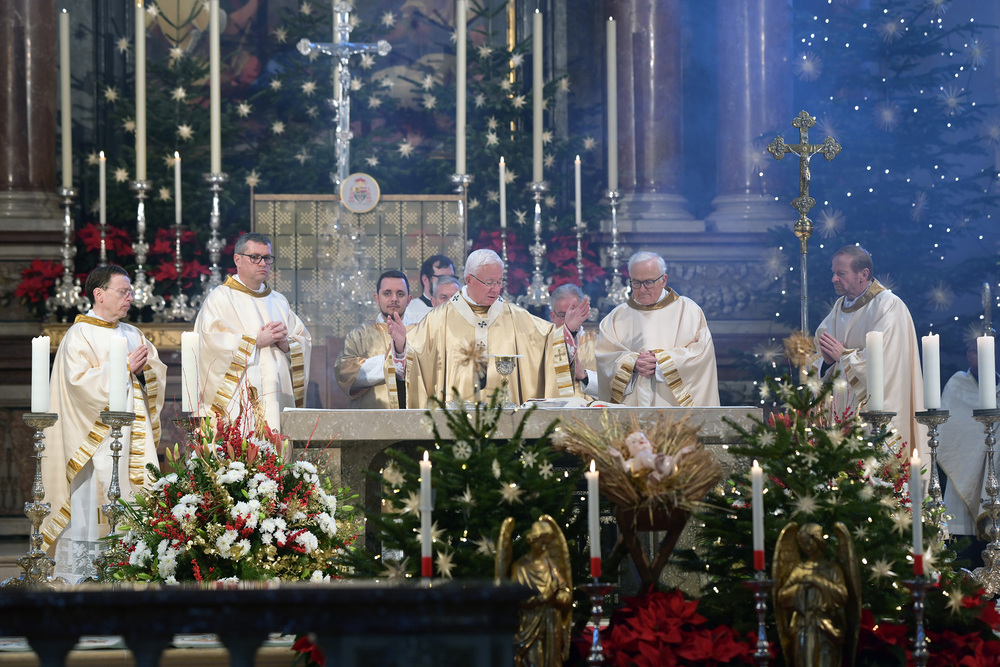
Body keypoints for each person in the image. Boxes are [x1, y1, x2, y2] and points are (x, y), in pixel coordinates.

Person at [40, 265, 166, 582]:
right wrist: (123, 366)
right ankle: (88, 576)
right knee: (96, 500)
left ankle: (137, 569)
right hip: (95, 439)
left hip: (134, 436)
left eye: (130, 292)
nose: (130, 298)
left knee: (137, 495)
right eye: (123, 291)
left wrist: (144, 371)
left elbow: (154, 374)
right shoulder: (78, 334)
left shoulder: (132, 333)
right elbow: (79, 385)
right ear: (99, 293)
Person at [395, 249, 589, 409]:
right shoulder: (439, 319)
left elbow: (548, 343)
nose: (496, 289)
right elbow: (413, 361)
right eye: (489, 283)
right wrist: (401, 346)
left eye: (499, 282)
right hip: (455, 422)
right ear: (469, 280)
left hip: (508, 421)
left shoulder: (516, 317)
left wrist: (567, 331)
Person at [194, 232, 311, 436]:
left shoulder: (278, 301)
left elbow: (303, 340)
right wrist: (255, 341)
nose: (263, 263)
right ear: (237, 259)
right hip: (239, 398)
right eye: (255, 257)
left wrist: (286, 345)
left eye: (267, 258)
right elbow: (210, 343)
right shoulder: (220, 298)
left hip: (277, 393)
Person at [812, 245, 924, 455]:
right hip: (843, 408)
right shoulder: (840, 306)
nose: (834, 279)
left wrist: (843, 357)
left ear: (863, 274)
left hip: (877, 408)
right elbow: (821, 350)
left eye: (841, 274)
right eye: (834, 273)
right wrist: (826, 361)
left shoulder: (888, 306)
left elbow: (886, 360)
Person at [595, 251, 720, 406]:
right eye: (635, 282)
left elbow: (701, 355)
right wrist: (632, 363)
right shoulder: (616, 316)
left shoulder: (688, 311)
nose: (641, 290)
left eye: (648, 282)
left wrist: (660, 362)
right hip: (631, 409)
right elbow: (604, 358)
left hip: (672, 407)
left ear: (664, 280)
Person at [939, 336, 999, 564]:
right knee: (963, 551)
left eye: (989, 353)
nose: (983, 357)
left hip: (995, 474)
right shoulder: (957, 385)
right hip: (962, 469)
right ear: (968, 355)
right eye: (976, 352)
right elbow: (952, 428)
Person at [333, 270, 411, 409]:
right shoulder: (358, 335)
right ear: (376, 298)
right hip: (371, 419)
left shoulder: (420, 333)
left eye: (400, 294)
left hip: (413, 418)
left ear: (409, 299)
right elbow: (344, 373)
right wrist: (394, 360)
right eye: (387, 293)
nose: (394, 298)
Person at [550, 283, 597, 398]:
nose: (569, 319)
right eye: (562, 315)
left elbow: (611, 389)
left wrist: (584, 376)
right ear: (553, 316)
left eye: (573, 313)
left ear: (583, 312)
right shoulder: (543, 344)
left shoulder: (598, 344)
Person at [405, 254, 455, 322]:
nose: (448, 283)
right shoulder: (408, 311)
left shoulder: (461, 308)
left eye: (451, 278)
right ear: (425, 280)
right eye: (442, 278)